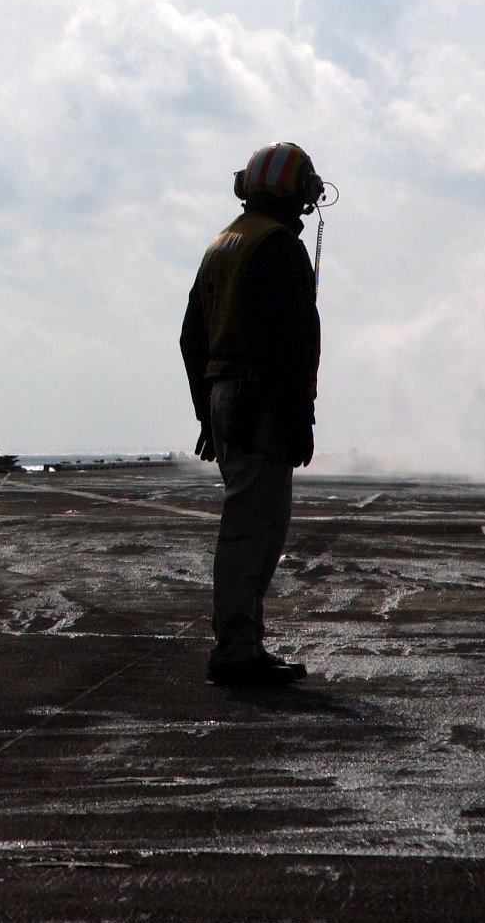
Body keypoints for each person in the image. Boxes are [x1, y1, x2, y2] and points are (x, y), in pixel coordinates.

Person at [179, 142, 323, 688]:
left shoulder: (224, 244)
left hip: (225, 395)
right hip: (259, 400)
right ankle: (236, 650)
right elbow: (288, 344)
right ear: (293, 191)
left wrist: (205, 414)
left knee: (257, 522)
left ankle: (245, 643)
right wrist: (299, 418)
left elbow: (192, 336)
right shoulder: (279, 248)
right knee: (253, 527)